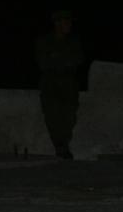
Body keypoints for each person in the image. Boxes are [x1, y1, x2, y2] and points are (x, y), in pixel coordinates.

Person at [34, 10, 85, 159]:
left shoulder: (74, 41)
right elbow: (43, 63)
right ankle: (61, 147)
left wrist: (57, 58)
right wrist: (63, 60)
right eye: (65, 21)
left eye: (69, 21)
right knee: (53, 116)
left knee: (69, 117)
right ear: (57, 23)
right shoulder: (43, 41)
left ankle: (63, 145)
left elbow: (78, 59)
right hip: (50, 84)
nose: (69, 25)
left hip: (69, 84)